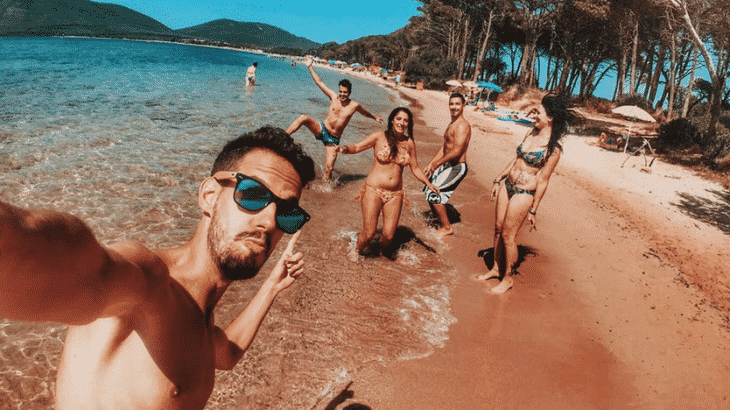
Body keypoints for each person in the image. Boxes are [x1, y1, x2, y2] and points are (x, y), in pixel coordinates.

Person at [0, 126, 315, 409]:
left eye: (287, 212)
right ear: (209, 196)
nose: (270, 221)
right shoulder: (150, 283)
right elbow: (74, 266)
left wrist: (273, 284)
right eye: (254, 194)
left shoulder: (203, 320)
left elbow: (228, 353)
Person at [478, 94, 572, 294]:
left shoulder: (553, 150)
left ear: (551, 118)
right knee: (497, 228)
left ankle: (508, 278)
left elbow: (543, 180)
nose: (534, 114)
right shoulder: (530, 133)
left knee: (508, 235)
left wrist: (534, 210)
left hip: (524, 192)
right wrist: (498, 179)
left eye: (539, 112)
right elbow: (516, 160)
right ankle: (496, 268)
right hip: (507, 185)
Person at [336, 107, 439, 261]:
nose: (402, 123)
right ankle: (356, 250)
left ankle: (379, 252)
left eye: (405, 120)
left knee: (388, 235)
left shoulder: (409, 143)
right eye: (399, 119)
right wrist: (345, 149)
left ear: (408, 124)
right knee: (369, 232)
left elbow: (415, 167)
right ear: (392, 120)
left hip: (395, 194)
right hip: (373, 190)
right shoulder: (379, 136)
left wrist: (428, 183)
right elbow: (358, 147)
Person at [287, 56, 383, 182]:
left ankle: (325, 190)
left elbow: (364, 113)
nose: (342, 95)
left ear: (349, 92)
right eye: (341, 92)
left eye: (345, 92)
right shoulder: (333, 97)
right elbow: (319, 82)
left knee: (329, 168)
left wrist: (374, 117)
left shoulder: (354, 106)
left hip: (333, 139)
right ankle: (283, 136)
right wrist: (310, 66)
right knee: (303, 118)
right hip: (322, 129)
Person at [422, 93, 472, 236]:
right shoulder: (452, 124)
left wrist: (437, 163)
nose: (454, 107)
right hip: (447, 165)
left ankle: (446, 227)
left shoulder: (462, 125)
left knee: (434, 193)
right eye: (451, 104)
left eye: (457, 104)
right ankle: (440, 220)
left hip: (457, 167)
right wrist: (432, 163)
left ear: (463, 106)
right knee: (428, 189)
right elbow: (445, 147)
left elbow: (457, 151)